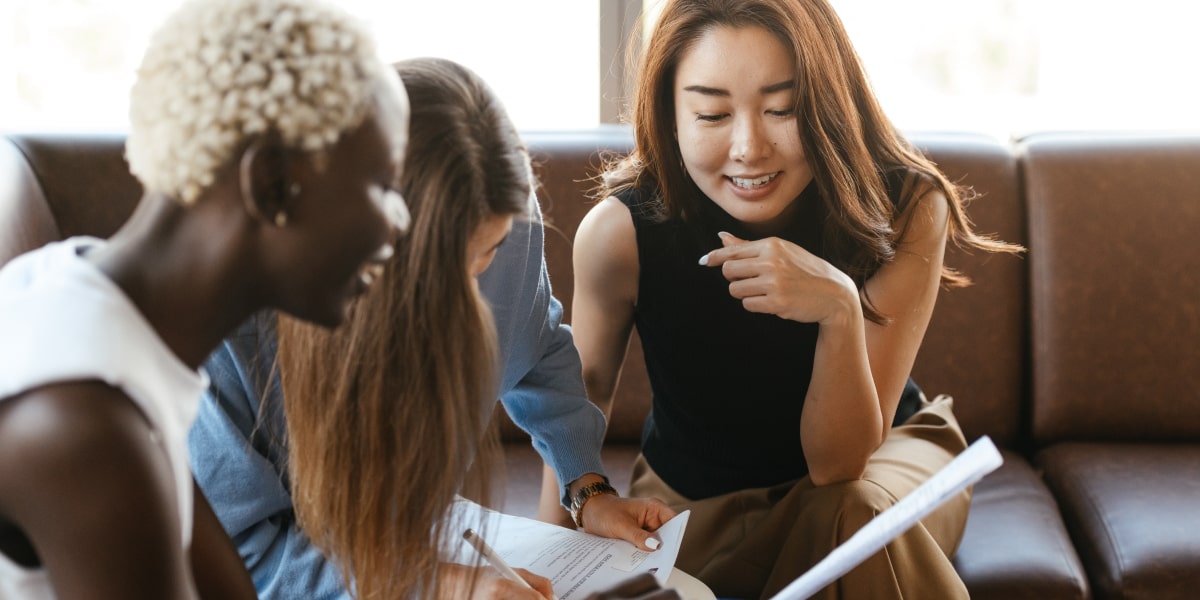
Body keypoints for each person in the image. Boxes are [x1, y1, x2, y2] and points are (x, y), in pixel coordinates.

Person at [547, 0, 1024, 598]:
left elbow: (838, 467)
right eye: (712, 113)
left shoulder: (905, 206)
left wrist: (840, 310)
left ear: (826, 103)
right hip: (695, 494)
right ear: (670, 116)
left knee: (849, 517)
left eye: (782, 109)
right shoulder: (619, 233)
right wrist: (547, 562)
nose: (749, 147)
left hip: (882, 465)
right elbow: (581, 388)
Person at [188, 57, 679, 600]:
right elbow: (241, 556)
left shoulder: (511, 229)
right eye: (439, 272)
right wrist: (435, 587)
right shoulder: (230, 322)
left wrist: (587, 488)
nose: (469, 304)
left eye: (486, 254)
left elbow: (538, 351)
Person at [0, 0, 411, 597]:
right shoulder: (83, 424)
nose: (399, 222)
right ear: (271, 184)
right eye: (383, 185)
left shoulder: (104, 313)